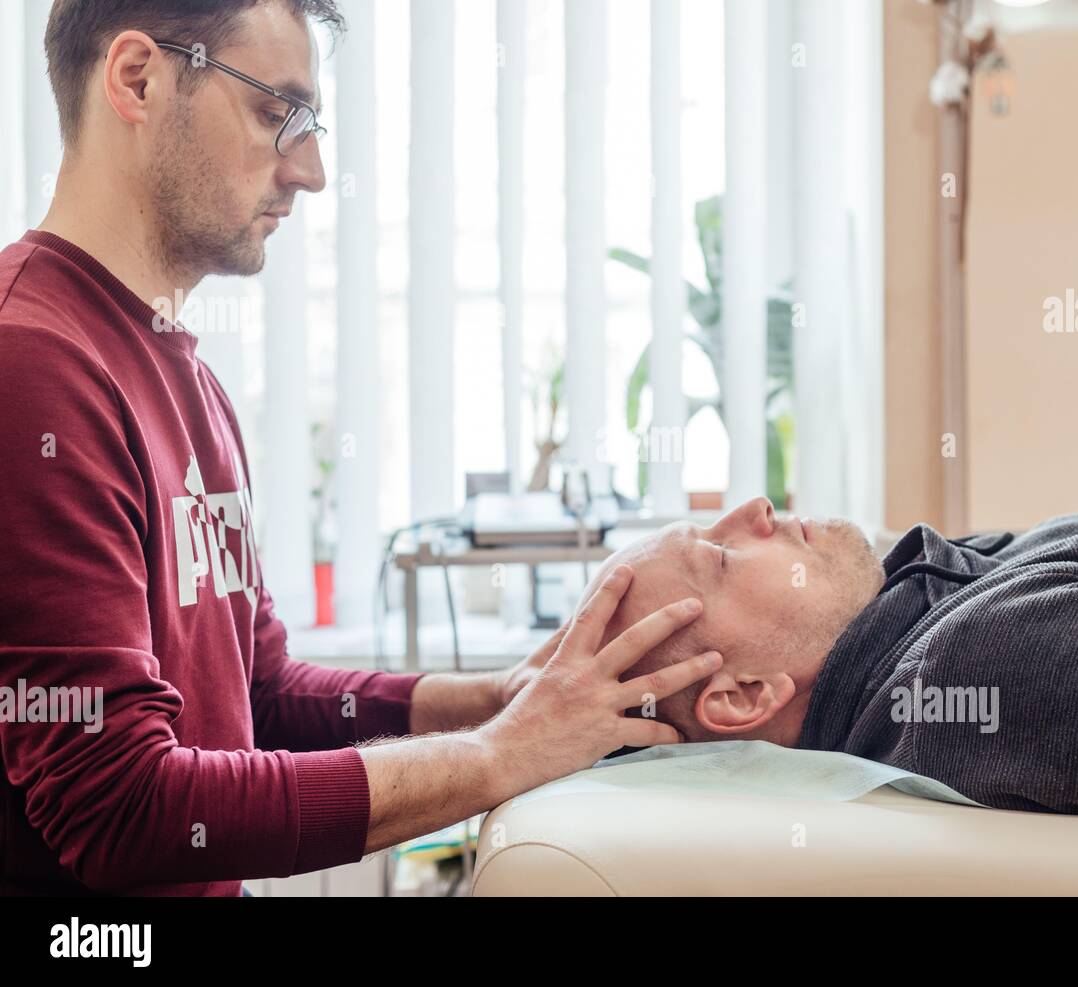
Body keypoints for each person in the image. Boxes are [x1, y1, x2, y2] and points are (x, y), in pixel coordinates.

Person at [0, 0, 720, 896]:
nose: (311, 169)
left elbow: (261, 695)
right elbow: (121, 806)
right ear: (137, 79)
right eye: (277, 113)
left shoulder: (190, 383)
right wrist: (499, 756)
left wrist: (506, 699)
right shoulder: (31, 363)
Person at [589, 492, 1078, 820]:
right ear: (744, 695)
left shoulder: (917, 606)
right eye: (720, 553)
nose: (755, 509)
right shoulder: (991, 664)